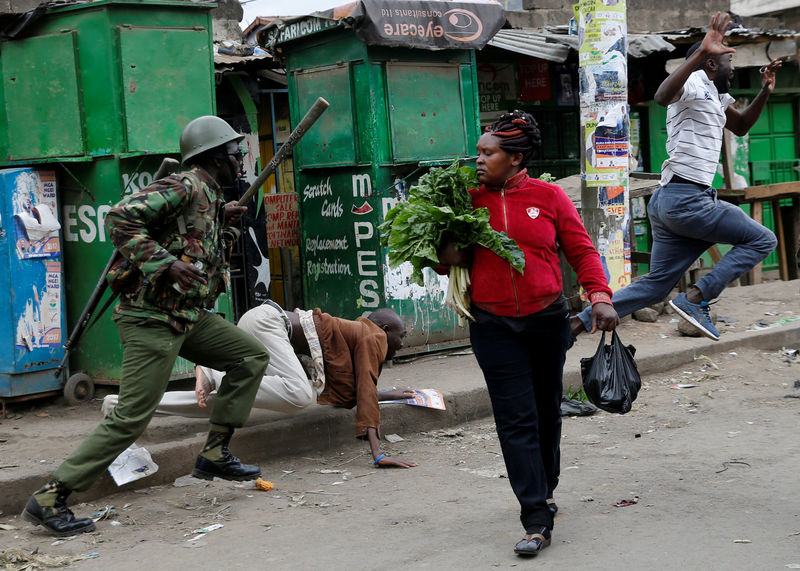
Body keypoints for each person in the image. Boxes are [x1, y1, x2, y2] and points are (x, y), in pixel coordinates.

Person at [21, 116, 270, 537]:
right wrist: (165, 264)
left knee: (250, 356)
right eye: (234, 154)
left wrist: (223, 222)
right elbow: (119, 218)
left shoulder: (208, 198)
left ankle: (214, 452)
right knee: (131, 418)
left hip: (187, 317)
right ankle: (50, 497)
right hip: (150, 318)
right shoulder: (186, 185)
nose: (240, 161)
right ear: (213, 157)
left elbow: (199, 248)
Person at [437, 110, 619, 556]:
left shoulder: (550, 197)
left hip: (545, 322)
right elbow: (444, 262)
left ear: (516, 158)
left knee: (546, 412)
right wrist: (450, 245)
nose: (478, 160)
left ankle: (546, 486)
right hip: (493, 326)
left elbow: (580, 249)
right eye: (479, 152)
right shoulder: (466, 200)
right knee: (515, 420)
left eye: (488, 152)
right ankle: (536, 517)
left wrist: (599, 294)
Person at [572, 12, 779, 342]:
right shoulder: (694, 82)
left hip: (670, 201)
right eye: (728, 61)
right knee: (763, 239)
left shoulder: (714, 93)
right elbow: (661, 96)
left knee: (656, 285)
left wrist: (766, 90)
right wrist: (702, 51)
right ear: (710, 64)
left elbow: (739, 126)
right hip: (688, 200)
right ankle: (695, 299)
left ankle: (575, 325)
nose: (733, 68)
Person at [102, 301, 418, 469]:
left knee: (238, 403)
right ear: (385, 328)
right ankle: (213, 373)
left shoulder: (358, 336)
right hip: (269, 324)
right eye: (401, 336)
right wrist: (378, 453)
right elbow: (364, 390)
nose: (402, 343)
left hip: (259, 322)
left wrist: (391, 395)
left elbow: (361, 388)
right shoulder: (373, 336)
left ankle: (119, 406)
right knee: (298, 394)